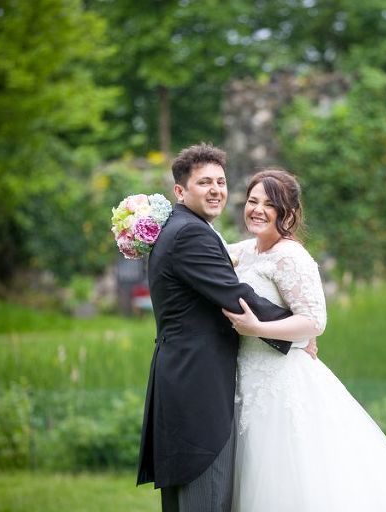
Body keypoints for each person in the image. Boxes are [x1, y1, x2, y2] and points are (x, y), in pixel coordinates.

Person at [223, 168, 386, 511]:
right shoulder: (247, 251)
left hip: (282, 380)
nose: (256, 209)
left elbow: (314, 320)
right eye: (252, 201)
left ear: (288, 212)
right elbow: (209, 247)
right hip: (248, 376)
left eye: (269, 204)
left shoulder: (291, 256)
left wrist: (258, 328)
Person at [136, 144, 316, 512]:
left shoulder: (183, 228)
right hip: (199, 386)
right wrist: (300, 329)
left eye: (221, 181)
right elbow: (235, 295)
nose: (216, 189)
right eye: (205, 182)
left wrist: (301, 326)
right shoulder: (191, 234)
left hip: (186, 376)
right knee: (207, 497)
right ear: (180, 191)